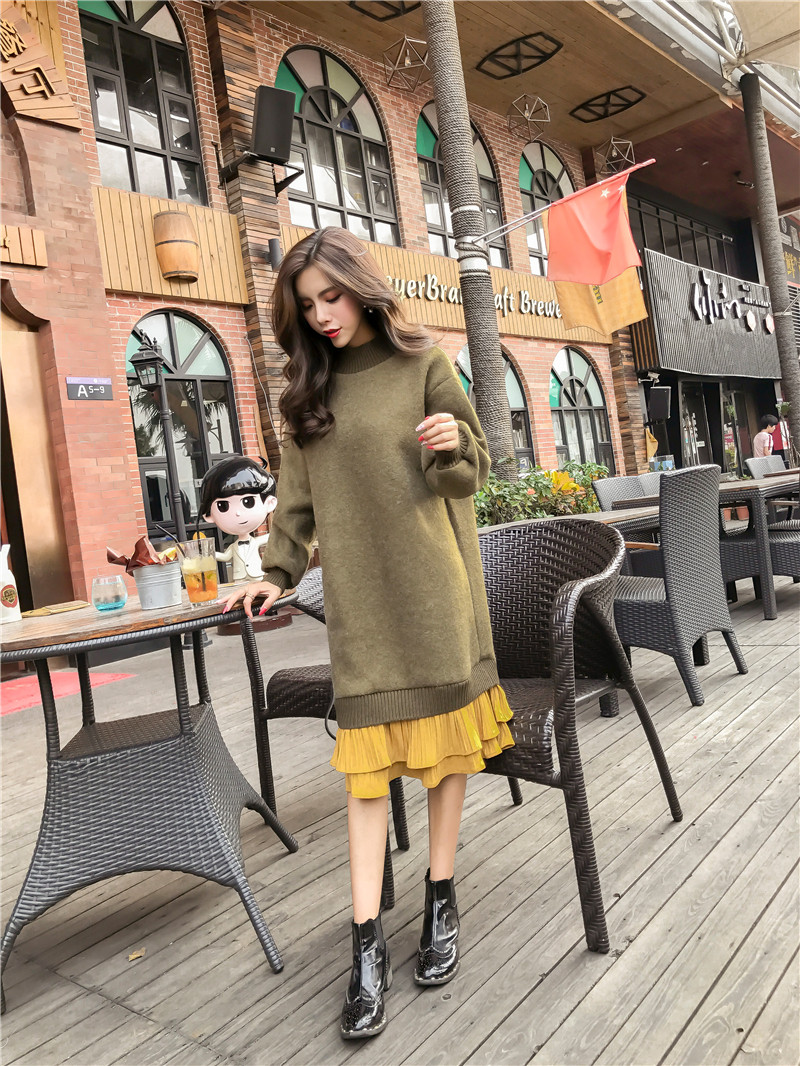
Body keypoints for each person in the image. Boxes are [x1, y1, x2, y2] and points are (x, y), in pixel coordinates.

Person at [223, 227, 514, 1040]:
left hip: (436, 594)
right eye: (307, 303)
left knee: (445, 757)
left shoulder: (424, 365)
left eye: (333, 296)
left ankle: (441, 897)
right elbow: (295, 509)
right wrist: (275, 573)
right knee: (365, 775)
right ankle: (365, 941)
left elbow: (471, 472)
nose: (323, 314)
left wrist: (452, 443)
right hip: (362, 611)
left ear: (362, 287)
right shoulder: (306, 398)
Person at [198, 456, 276, 580]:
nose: (238, 513)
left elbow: (274, 536)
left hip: (257, 574)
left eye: (248, 502)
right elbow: (225, 557)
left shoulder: (255, 541)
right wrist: (209, 554)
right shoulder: (233, 546)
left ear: (270, 503)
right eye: (223, 506)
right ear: (209, 515)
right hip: (239, 576)